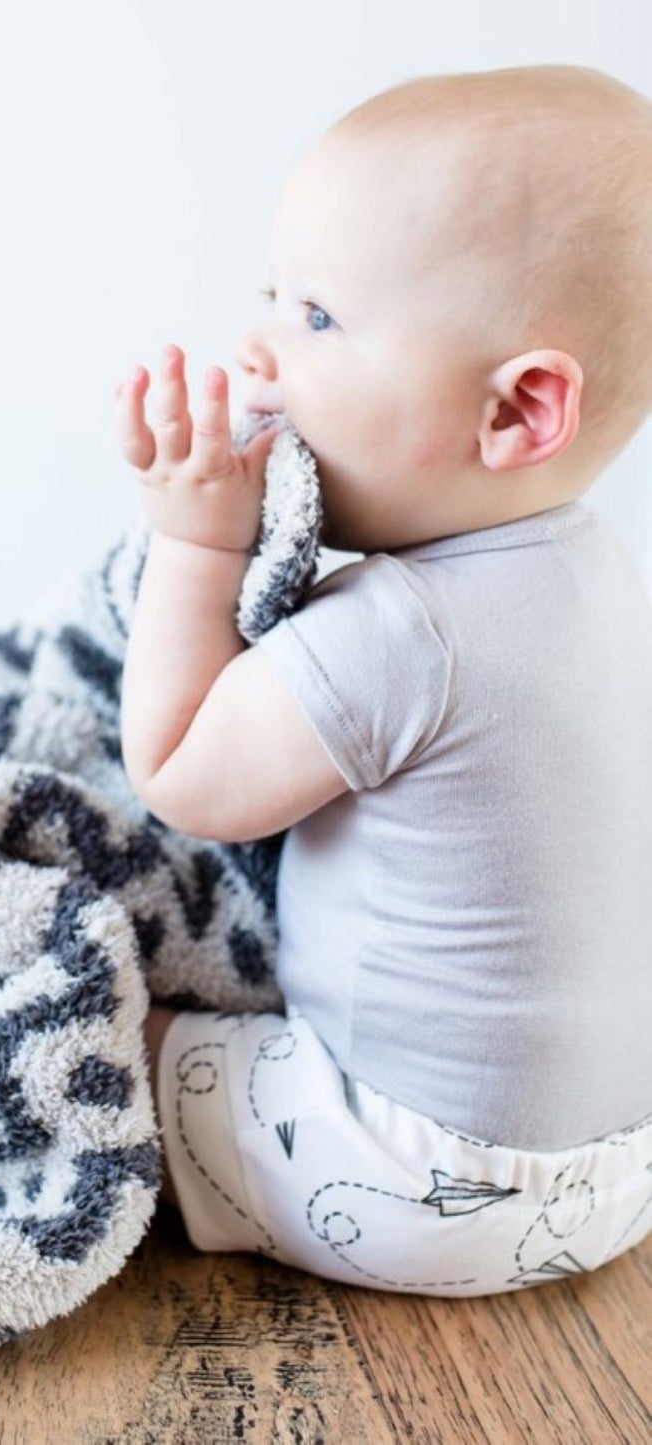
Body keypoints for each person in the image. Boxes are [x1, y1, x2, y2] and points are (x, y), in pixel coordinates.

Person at [114, 64, 652, 1296]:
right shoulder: (595, 574)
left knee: (90, 1046)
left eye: (315, 318)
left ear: (517, 412)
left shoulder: (403, 627)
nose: (255, 344)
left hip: (411, 1177)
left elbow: (182, 773)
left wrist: (193, 542)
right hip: (614, 1169)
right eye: (272, 296)